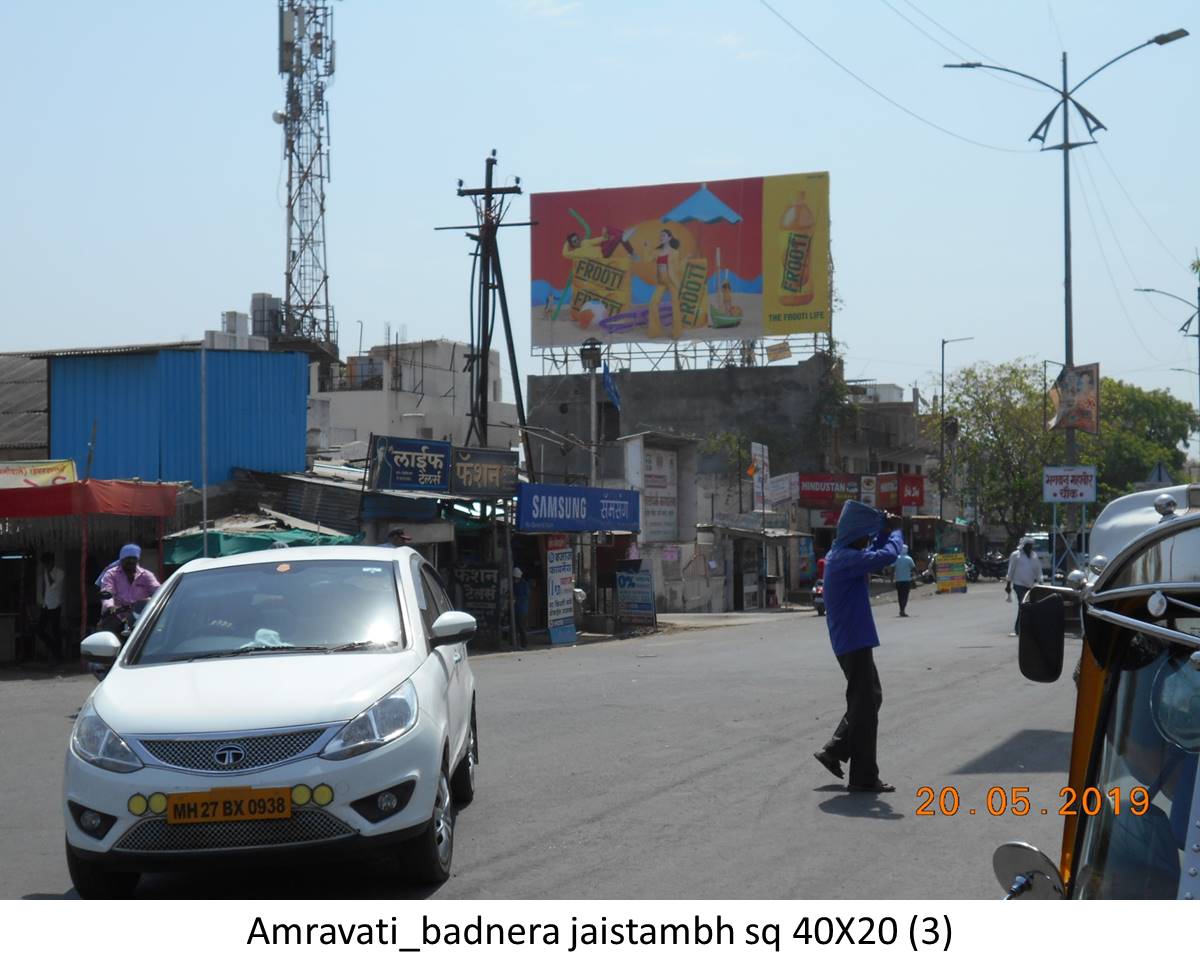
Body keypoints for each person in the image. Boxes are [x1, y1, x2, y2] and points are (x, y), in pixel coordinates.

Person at [813, 500, 904, 793]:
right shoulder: (846, 559)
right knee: (865, 707)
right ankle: (863, 777)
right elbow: (886, 555)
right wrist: (894, 532)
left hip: (852, 640)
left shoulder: (841, 554)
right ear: (857, 535)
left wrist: (883, 529)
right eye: (866, 534)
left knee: (869, 699)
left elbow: (875, 550)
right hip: (853, 641)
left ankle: (835, 749)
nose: (868, 539)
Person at [98, 544, 160, 636]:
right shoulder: (111, 574)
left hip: (140, 616)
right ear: (121, 560)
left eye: (133, 558)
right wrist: (110, 606)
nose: (130, 561)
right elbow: (107, 591)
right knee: (108, 637)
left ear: (137, 560)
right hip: (116, 614)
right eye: (127, 558)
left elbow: (157, 590)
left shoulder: (146, 575)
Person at [1005, 537, 1043, 636]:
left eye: (1031, 546)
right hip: (1018, 584)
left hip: (1030, 585)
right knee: (1023, 605)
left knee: (1028, 606)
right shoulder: (1015, 555)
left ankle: (1025, 628)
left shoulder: (1034, 556)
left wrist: (1041, 582)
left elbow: (1038, 570)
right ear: (1024, 546)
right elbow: (1010, 570)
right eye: (1028, 545)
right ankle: (1018, 629)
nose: (1030, 547)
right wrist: (1008, 584)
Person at [33, 552, 64, 664]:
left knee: (56, 631)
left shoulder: (60, 573)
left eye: (46, 563)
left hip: (55, 605)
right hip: (46, 605)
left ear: (51, 562)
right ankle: (54, 648)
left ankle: (58, 655)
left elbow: (52, 585)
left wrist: (48, 572)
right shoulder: (45, 573)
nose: (45, 566)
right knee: (39, 629)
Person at [892, 544, 916, 617]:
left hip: (898, 580)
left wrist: (891, 579)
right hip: (906, 580)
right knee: (905, 596)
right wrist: (915, 574)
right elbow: (914, 568)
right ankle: (903, 610)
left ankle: (901, 609)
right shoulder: (909, 559)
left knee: (900, 595)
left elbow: (892, 568)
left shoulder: (896, 558)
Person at [512, 566, 531, 649]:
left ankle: (524, 644)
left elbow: (526, 596)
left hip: (522, 609)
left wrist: (516, 598)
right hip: (516, 608)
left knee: (522, 627)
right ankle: (516, 643)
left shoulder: (524, 584)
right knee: (516, 627)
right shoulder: (515, 584)